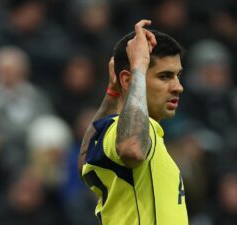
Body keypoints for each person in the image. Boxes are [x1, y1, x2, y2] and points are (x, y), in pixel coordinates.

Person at [78, 19, 188, 225]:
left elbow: (84, 162)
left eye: (178, 76)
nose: (178, 87)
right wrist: (138, 67)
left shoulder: (127, 133)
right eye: (165, 76)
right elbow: (132, 148)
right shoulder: (131, 135)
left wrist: (113, 93)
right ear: (128, 80)